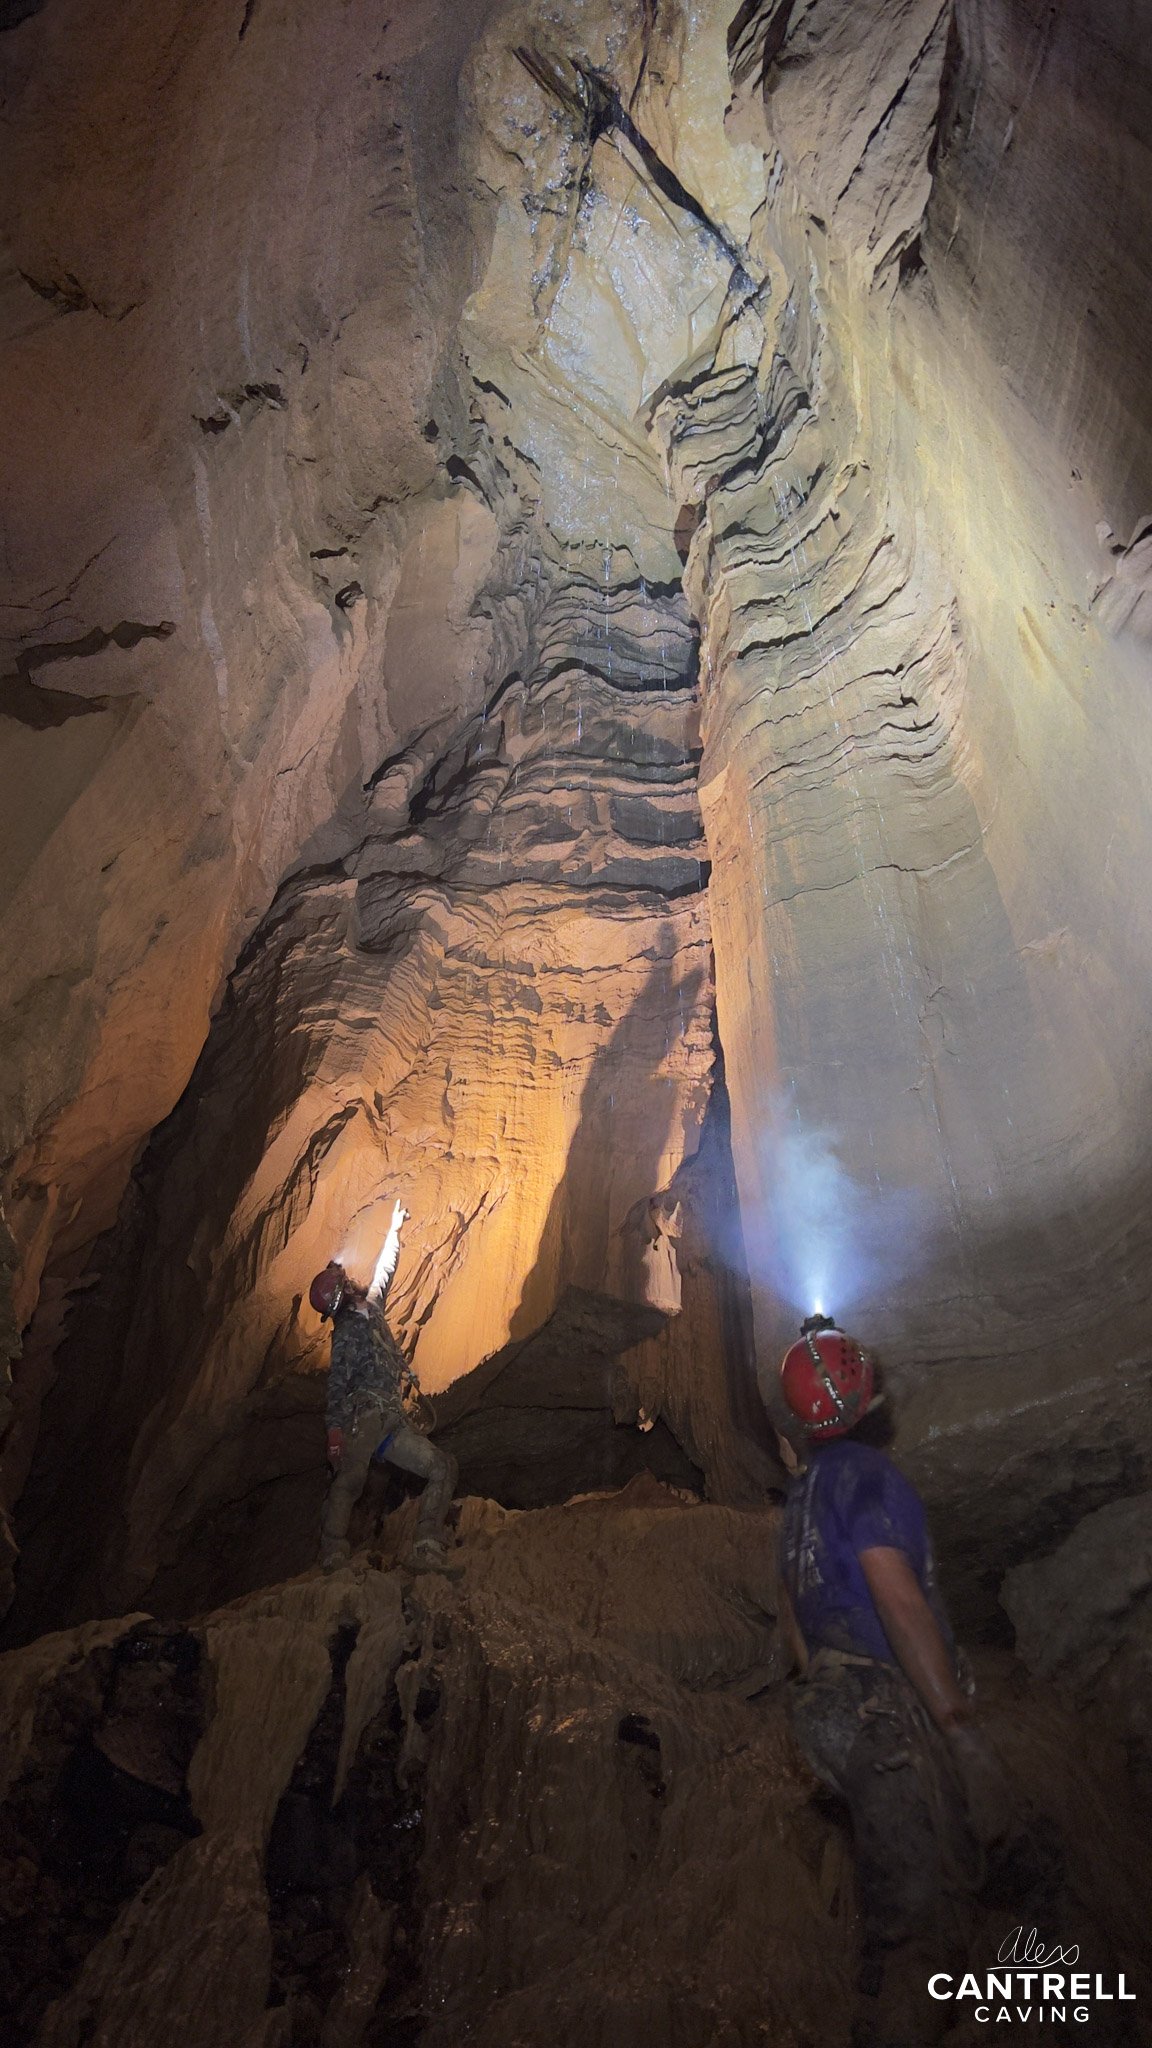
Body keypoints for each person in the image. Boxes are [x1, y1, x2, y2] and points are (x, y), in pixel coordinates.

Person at [776, 1317, 1014, 2046]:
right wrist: (956, 1725)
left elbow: (790, 1614)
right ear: (868, 1394)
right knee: (918, 1928)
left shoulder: (800, 1501)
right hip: (879, 1715)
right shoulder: (868, 1477)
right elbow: (898, 1599)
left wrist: (824, 1686)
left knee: (908, 1892)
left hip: (824, 1708)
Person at [310, 1201, 458, 1574]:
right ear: (341, 1294)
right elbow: (337, 1384)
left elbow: (384, 1272)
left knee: (442, 1465)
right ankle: (333, 1555)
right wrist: (335, 1430)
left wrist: (394, 1231)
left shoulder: (371, 1309)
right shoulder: (344, 1334)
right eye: (343, 1283)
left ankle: (425, 1543)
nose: (349, 1281)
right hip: (364, 1417)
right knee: (351, 1479)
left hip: (391, 1422)